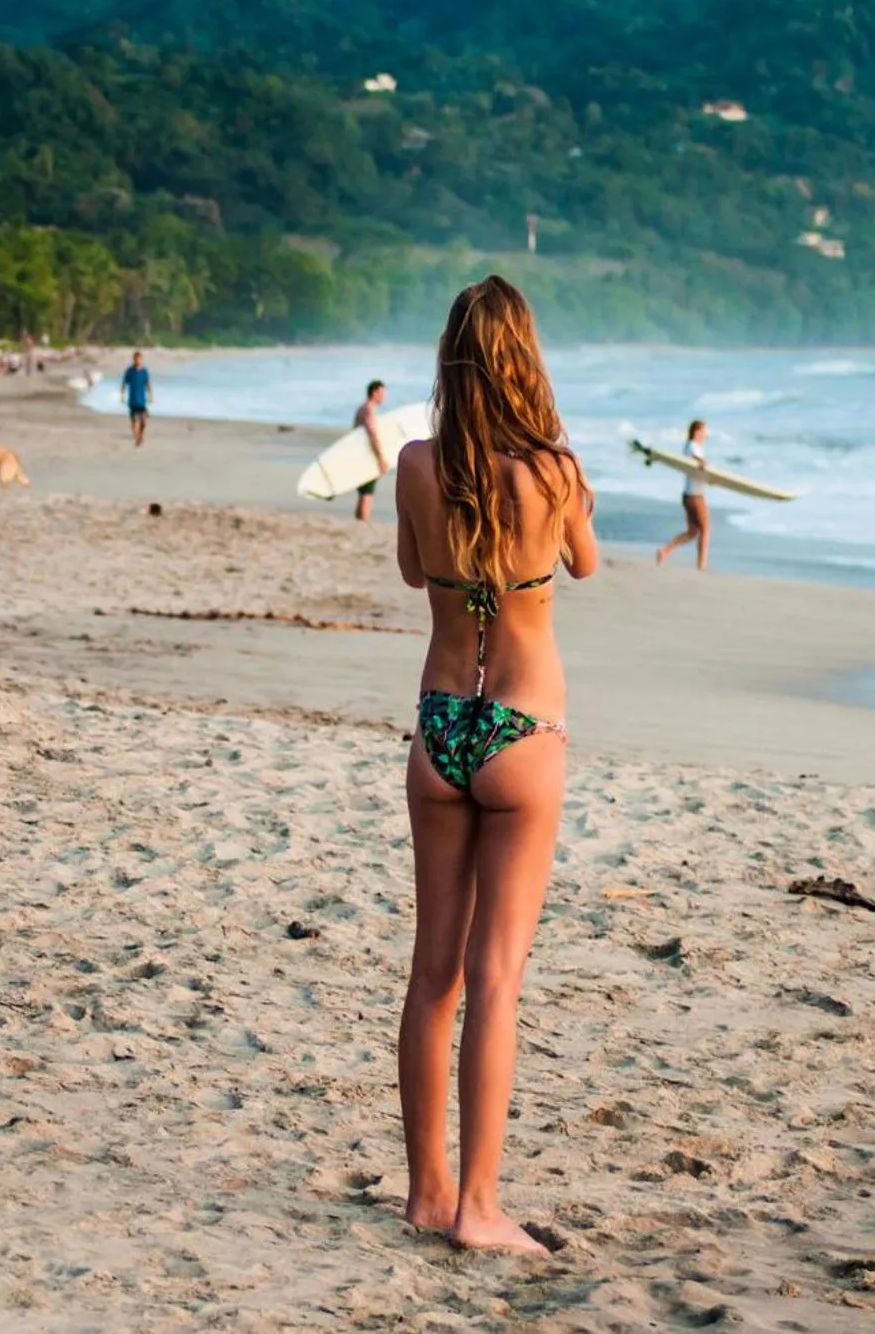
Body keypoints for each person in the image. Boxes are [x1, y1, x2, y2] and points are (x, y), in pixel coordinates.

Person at [393, 275, 598, 1255]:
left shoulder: (414, 463)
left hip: (439, 727)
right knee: (496, 977)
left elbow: (409, 568)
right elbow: (585, 565)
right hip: (521, 731)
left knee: (431, 973)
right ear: (524, 360)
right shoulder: (553, 472)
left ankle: (425, 1195)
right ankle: (479, 1207)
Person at [655, 418, 711, 570]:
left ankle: (664, 551)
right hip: (696, 496)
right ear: (697, 432)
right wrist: (703, 463)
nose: (706, 434)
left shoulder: (692, 446)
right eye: (704, 431)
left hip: (689, 494)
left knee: (693, 531)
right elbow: (696, 462)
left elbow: (696, 469)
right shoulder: (692, 447)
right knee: (705, 529)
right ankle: (701, 566)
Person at [354, 379, 391, 521]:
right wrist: (380, 458)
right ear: (374, 392)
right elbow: (372, 434)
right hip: (366, 457)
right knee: (367, 493)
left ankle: (360, 521)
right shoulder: (369, 409)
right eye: (382, 393)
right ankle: (363, 521)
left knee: (364, 492)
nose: (384, 397)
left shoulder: (362, 407)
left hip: (360, 455)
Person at [121, 350, 151, 447]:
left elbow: (147, 384)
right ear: (134, 359)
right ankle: (137, 437)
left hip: (142, 400)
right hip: (132, 400)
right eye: (136, 359)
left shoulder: (144, 371)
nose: (138, 361)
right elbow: (124, 384)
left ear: (142, 360)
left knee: (144, 421)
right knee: (134, 420)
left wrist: (151, 396)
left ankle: (140, 434)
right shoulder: (130, 371)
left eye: (139, 359)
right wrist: (122, 396)